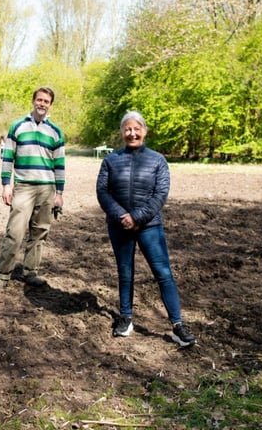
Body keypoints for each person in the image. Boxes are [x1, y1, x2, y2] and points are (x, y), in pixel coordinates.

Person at [96, 111, 197, 347]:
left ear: (144, 131)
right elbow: (102, 191)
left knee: (163, 273)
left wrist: (137, 217)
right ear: (122, 132)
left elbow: (160, 194)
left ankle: (177, 325)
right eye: (127, 129)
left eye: (136, 129)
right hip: (119, 226)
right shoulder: (110, 160)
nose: (132, 133)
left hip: (149, 226)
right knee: (125, 272)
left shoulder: (158, 160)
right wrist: (122, 216)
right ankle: (126, 317)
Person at [0, 87, 65, 294]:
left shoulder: (55, 132)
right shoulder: (18, 127)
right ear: (33, 101)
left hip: (47, 189)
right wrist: (6, 184)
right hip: (23, 187)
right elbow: (8, 158)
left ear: (50, 105)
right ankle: (2, 276)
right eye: (39, 100)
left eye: (46, 101)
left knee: (39, 233)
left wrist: (59, 193)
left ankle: (31, 272)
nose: (42, 104)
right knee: (15, 232)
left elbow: (59, 165)